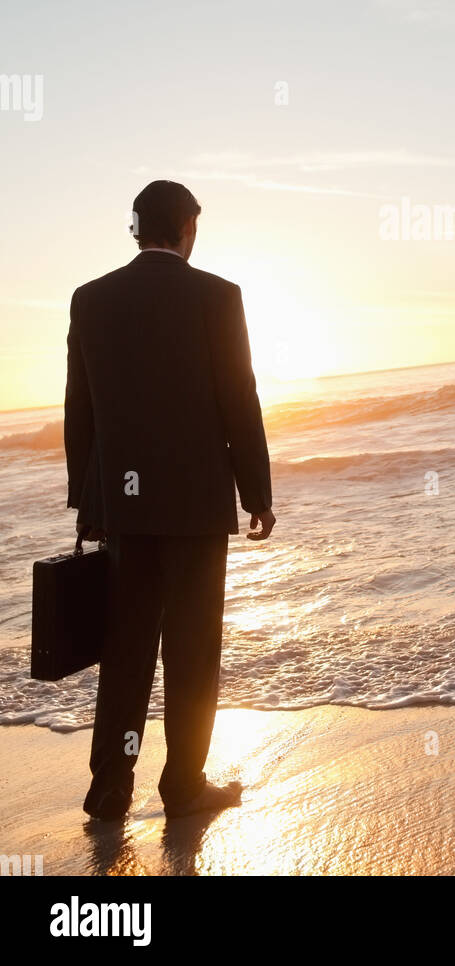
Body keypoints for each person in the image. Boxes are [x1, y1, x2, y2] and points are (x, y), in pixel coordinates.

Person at [64, 180, 275, 820]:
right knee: (191, 651)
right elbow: (239, 397)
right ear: (185, 227)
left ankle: (110, 786)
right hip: (197, 506)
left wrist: (89, 500)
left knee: (126, 650)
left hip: (125, 510)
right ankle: (183, 784)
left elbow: (81, 408)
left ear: (137, 227)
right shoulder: (218, 296)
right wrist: (256, 493)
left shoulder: (91, 299)